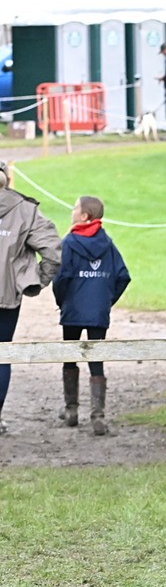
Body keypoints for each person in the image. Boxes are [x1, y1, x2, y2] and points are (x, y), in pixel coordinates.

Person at [53, 196, 131, 437]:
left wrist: (62, 300)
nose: (72, 211)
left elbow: (61, 277)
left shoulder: (70, 242)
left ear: (84, 216)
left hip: (73, 310)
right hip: (98, 311)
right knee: (96, 361)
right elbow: (122, 276)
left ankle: (72, 410)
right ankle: (97, 415)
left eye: (75, 208)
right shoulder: (108, 244)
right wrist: (106, 300)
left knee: (70, 356)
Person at [0, 161, 61, 435]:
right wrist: (34, 279)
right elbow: (52, 251)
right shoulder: (26, 210)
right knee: (2, 354)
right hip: (8, 296)